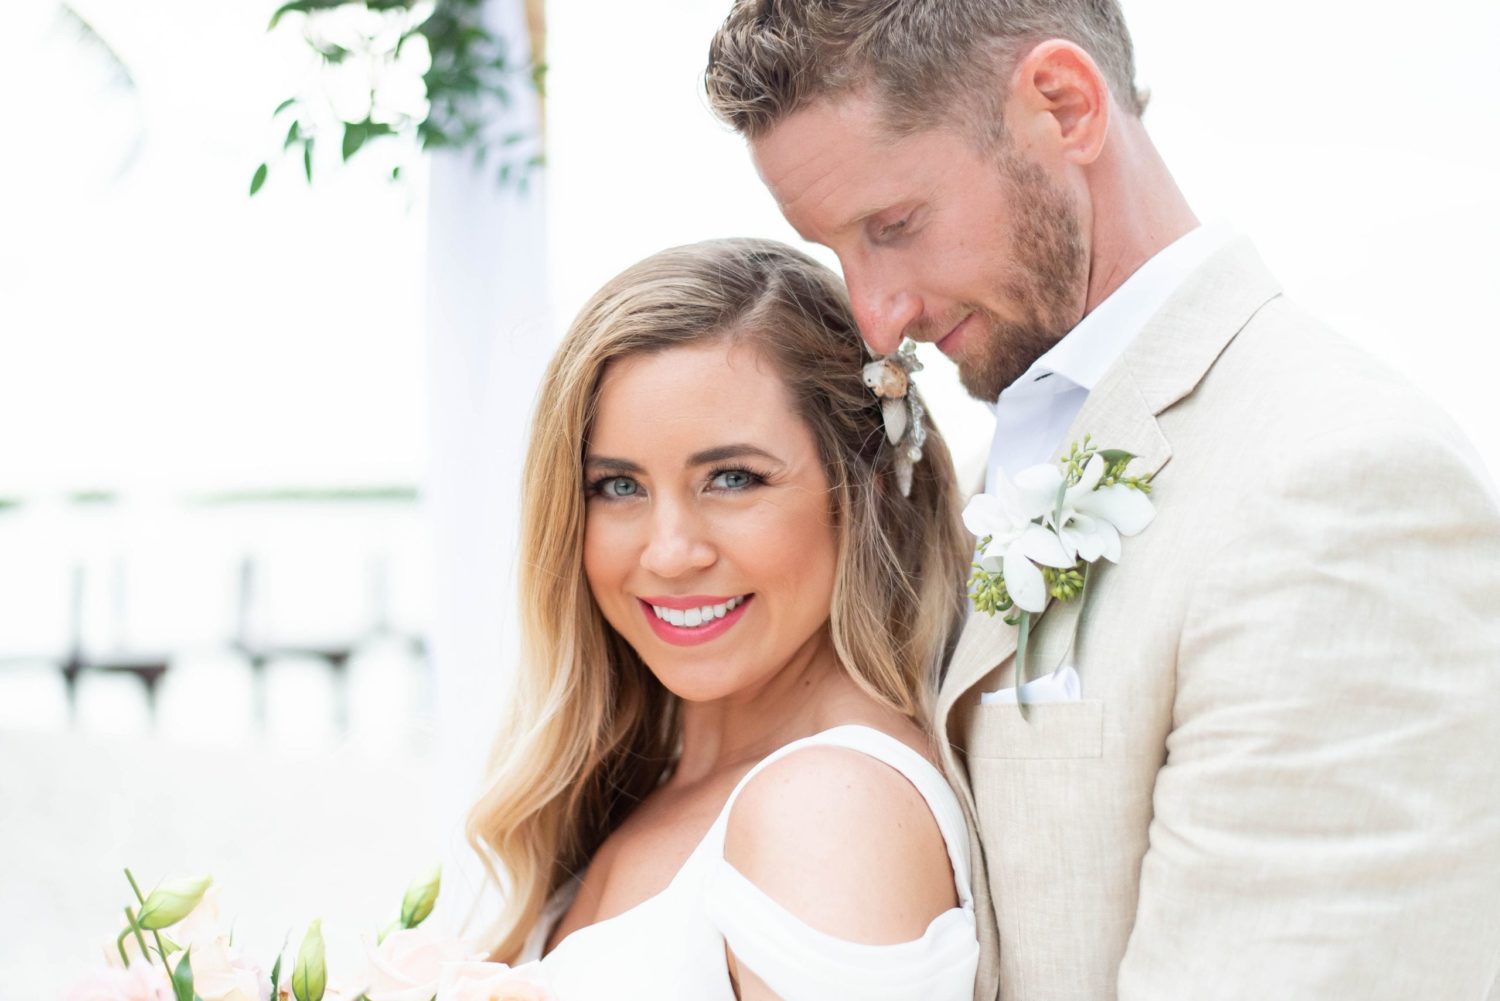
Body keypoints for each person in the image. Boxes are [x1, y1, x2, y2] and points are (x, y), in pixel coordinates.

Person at [704, 3, 1500, 999]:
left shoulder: (1340, 479)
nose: (876, 318)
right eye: (837, 251)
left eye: (894, 226)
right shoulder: (1001, 456)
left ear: (1064, 104)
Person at [464, 238, 980, 1000]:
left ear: (861, 486)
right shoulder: (634, 790)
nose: (670, 553)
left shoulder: (832, 809)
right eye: (616, 487)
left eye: (732, 478)